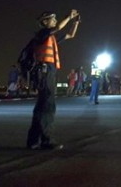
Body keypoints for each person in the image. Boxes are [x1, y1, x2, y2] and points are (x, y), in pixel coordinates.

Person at [26, 9, 80, 150]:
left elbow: (70, 35)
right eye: (52, 18)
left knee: (42, 106)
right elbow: (58, 28)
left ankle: (33, 140)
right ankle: (46, 140)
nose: (55, 21)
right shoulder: (42, 34)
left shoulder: (50, 38)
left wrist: (76, 22)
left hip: (48, 71)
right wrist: (68, 16)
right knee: (48, 105)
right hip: (44, 72)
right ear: (44, 22)